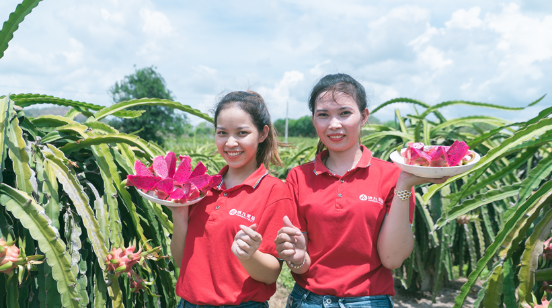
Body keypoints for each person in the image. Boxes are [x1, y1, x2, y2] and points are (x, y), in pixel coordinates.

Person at [275, 74, 448, 308]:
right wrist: (295, 260)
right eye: (323, 115)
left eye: (344, 113)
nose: (334, 124)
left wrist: (405, 185)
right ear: (314, 120)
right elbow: (301, 263)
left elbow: (392, 258)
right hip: (309, 300)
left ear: (364, 116)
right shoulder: (298, 177)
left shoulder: (392, 176)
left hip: (369, 301)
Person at [171, 91, 298, 308]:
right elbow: (182, 261)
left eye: (241, 133)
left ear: (262, 133)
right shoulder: (202, 188)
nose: (230, 143)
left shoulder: (275, 192)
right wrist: (180, 216)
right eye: (222, 133)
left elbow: (271, 275)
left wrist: (249, 255)